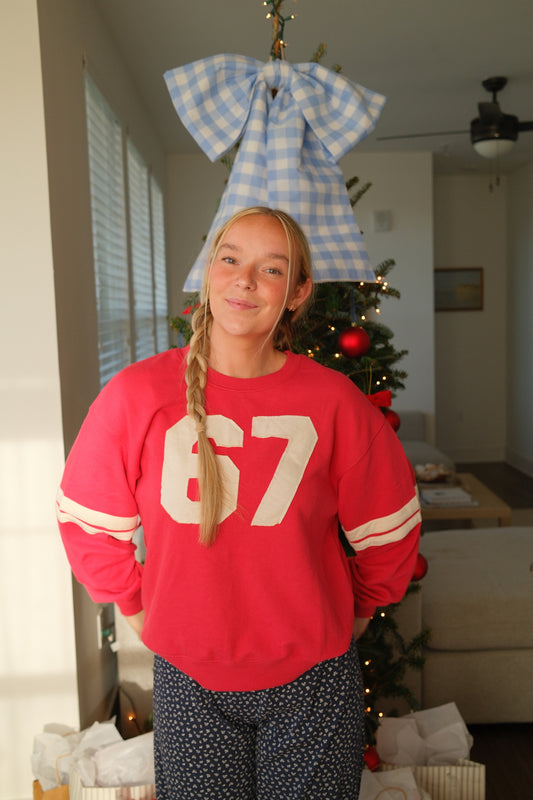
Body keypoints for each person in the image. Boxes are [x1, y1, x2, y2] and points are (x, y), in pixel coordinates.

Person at [57, 206, 421, 800]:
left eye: (271, 269)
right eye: (230, 259)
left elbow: (390, 529)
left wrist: (354, 613)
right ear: (209, 272)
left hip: (314, 680)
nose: (245, 280)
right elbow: (87, 519)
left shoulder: (336, 403)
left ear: (297, 292)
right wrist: (135, 603)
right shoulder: (136, 396)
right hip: (190, 680)